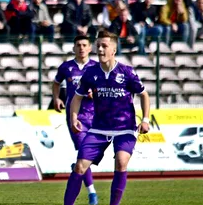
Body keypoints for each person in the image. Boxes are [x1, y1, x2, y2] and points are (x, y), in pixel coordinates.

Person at [63, 30, 150, 205]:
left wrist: (145, 119)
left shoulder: (127, 72)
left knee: (121, 161)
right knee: (80, 166)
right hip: (98, 129)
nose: (100, 50)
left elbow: (144, 94)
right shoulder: (90, 73)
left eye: (104, 46)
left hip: (124, 128)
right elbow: (77, 97)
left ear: (114, 50)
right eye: (98, 46)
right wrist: (73, 118)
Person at [53, 35, 98, 205]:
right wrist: (57, 98)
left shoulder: (96, 67)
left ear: (89, 48)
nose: (81, 48)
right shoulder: (66, 67)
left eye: (84, 45)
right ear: (74, 48)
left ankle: (77, 169)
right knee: (83, 152)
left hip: (95, 116)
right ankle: (92, 193)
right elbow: (56, 83)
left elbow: (103, 87)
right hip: (75, 116)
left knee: (89, 156)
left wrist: (95, 93)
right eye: (78, 45)